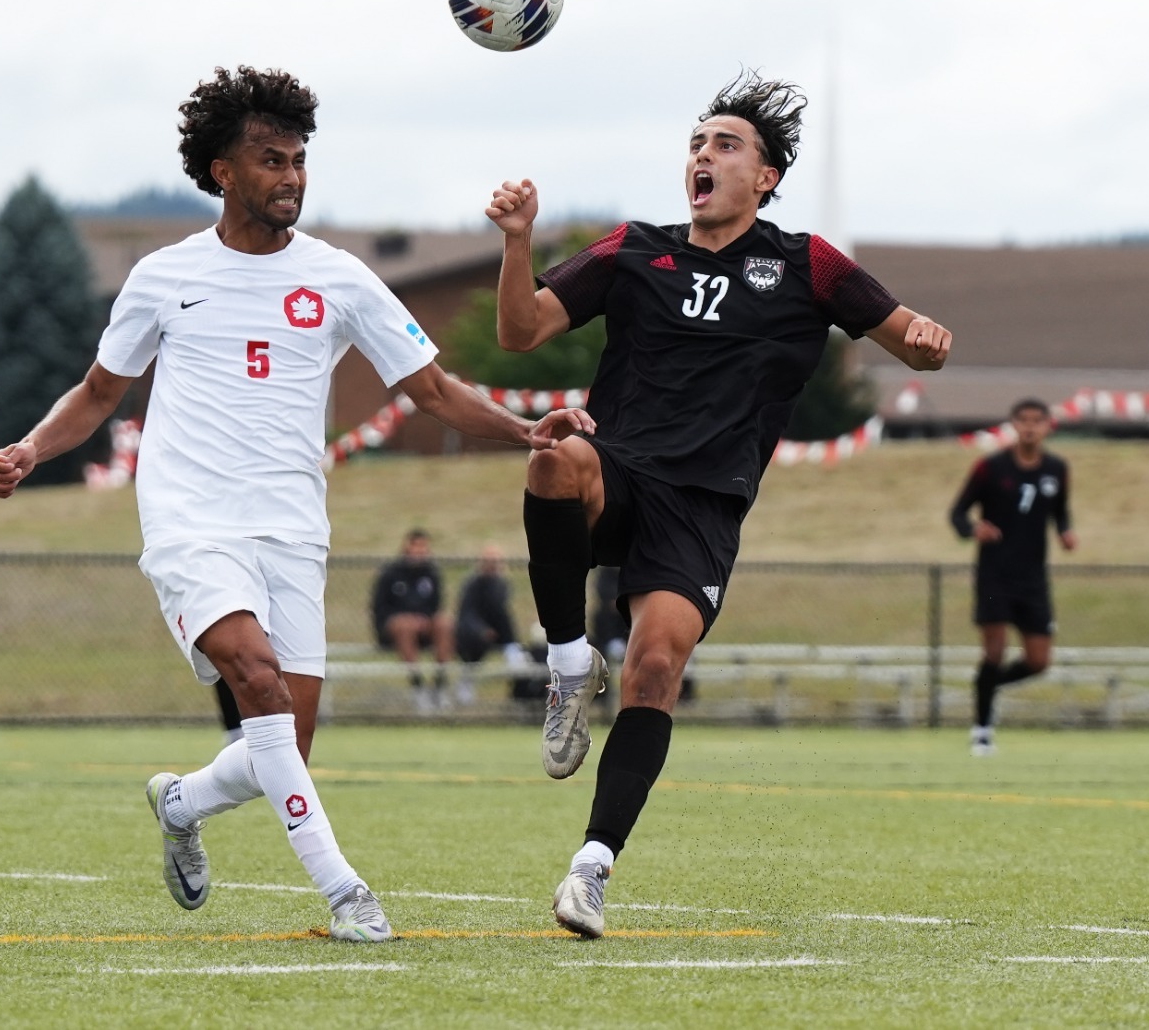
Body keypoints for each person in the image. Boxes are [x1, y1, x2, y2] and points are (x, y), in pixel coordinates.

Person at [0, 66, 591, 943]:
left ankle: (182, 803)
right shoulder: (164, 276)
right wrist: (32, 447)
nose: (291, 177)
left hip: (294, 530)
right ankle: (348, 894)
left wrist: (526, 428)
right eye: (271, 160)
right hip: (192, 521)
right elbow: (95, 392)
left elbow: (431, 390)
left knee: (286, 747)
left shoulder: (339, 279)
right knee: (259, 684)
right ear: (222, 171)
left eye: (300, 159)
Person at [484, 71, 953, 938]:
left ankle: (592, 869)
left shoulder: (806, 264)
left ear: (765, 177)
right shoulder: (635, 248)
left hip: (704, 505)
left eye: (725, 144)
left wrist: (925, 339)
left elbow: (910, 342)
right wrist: (519, 241)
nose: (703, 155)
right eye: (697, 143)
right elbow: (520, 332)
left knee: (656, 671)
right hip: (619, 465)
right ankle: (563, 661)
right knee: (553, 461)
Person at [949, 397, 1076, 756]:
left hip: (1033, 578)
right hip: (995, 575)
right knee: (995, 650)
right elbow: (957, 514)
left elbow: (1061, 513)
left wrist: (1066, 533)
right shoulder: (991, 467)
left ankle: (987, 687)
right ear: (1013, 425)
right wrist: (974, 529)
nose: (1030, 427)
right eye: (1024, 420)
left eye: (1038, 420)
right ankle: (983, 730)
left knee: (1038, 661)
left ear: (1049, 425)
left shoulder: (1056, 469)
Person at [370, 528, 454, 711]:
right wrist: (407, 618)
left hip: (424, 627)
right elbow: (380, 608)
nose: (419, 551)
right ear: (407, 547)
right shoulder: (391, 573)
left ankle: (440, 684)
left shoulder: (432, 573)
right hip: (395, 629)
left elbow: (437, 605)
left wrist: (423, 619)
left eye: (423, 547)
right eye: (415, 546)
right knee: (405, 625)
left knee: (445, 623)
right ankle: (418, 686)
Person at [453, 543, 529, 706]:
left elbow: (497, 608)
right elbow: (467, 613)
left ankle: (512, 649)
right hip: (472, 632)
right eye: (490, 562)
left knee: (503, 615)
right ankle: (468, 678)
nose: (493, 566)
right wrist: (481, 630)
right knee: (475, 641)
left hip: (497, 630)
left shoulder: (501, 584)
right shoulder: (472, 584)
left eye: (496, 562)